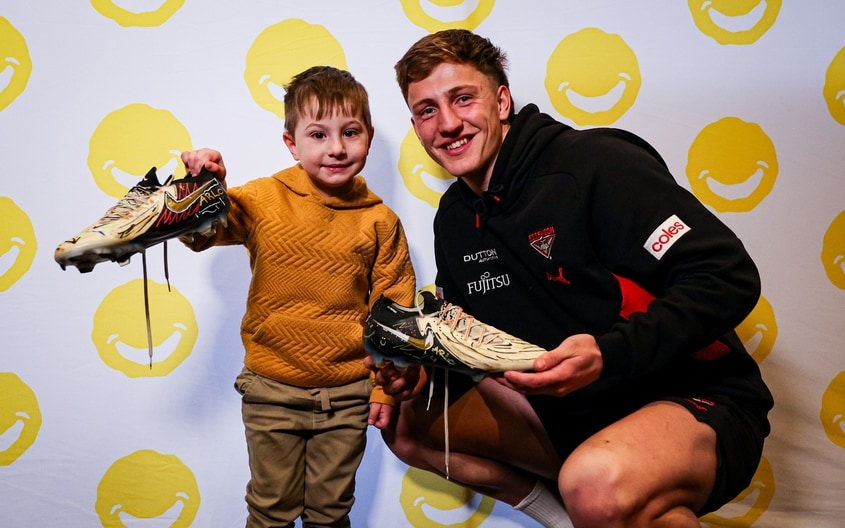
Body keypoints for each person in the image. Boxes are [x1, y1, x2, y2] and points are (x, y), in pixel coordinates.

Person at [365, 29, 773, 528]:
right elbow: (470, 340)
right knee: (408, 426)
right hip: (575, 418)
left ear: (502, 100)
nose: (448, 123)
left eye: (462, 98)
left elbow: (728, 276)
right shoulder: (453, 218)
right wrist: (417, 370)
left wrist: (610, 353)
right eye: (427, 110)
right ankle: (566, 516)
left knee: (596, 482)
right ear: (415, 125)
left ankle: (596, 494)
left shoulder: (595, 164)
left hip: (693, 401)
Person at [181, 65, 416, 528]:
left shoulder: (379, 221)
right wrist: (204, 185)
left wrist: (384, 391)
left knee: (331, 514)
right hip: (271, 390)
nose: (336, 147)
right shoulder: (265, 199)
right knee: (271, 511)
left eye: (350, 132)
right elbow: (202, 234)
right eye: (318, 134)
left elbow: (395, 312)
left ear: (367, 136)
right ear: (291, 142)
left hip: (348, 393)